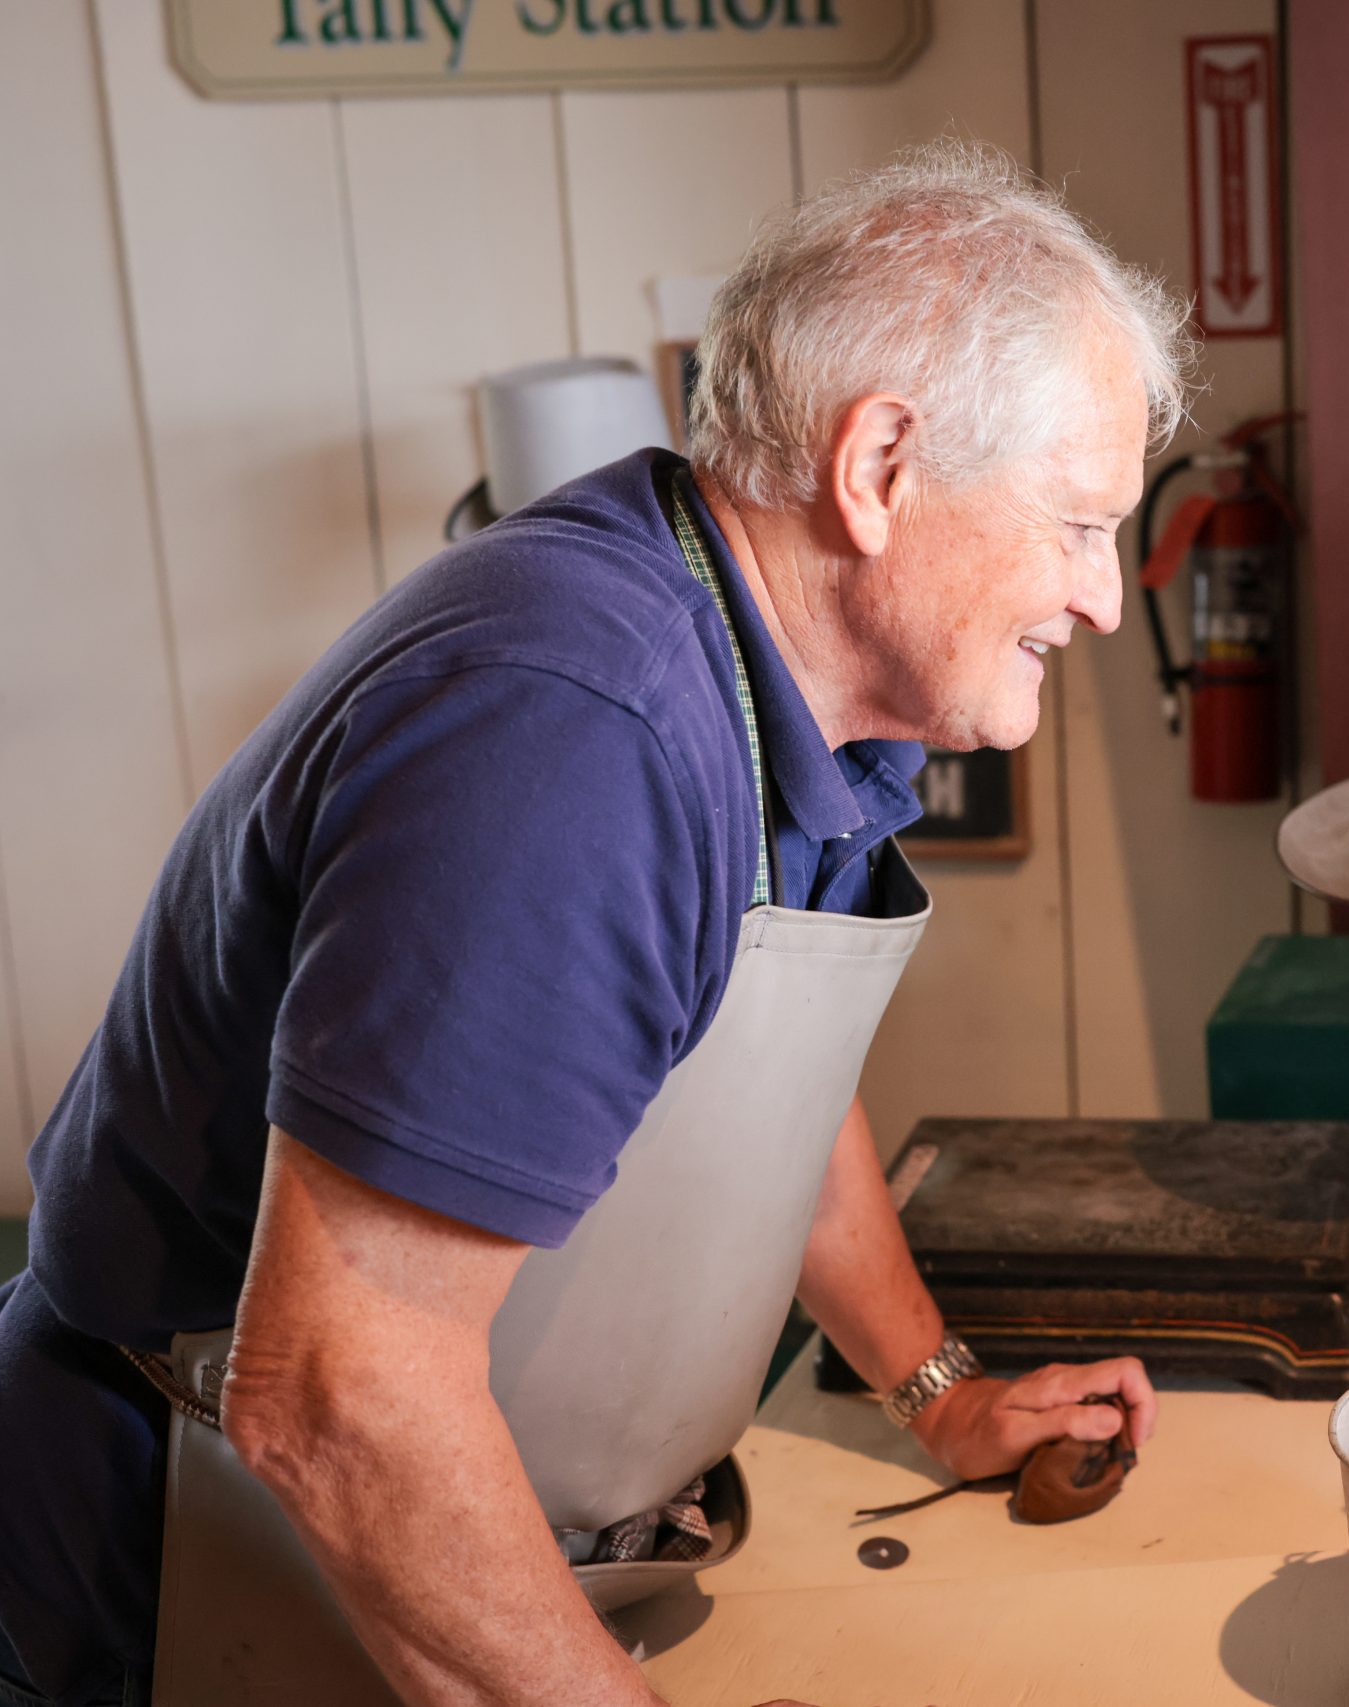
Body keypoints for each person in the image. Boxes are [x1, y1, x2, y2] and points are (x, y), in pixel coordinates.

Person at [0, 143, 1192, 1707]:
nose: (1107, 599)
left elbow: (768, 1071)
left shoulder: (790, 694)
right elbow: (342, 1393)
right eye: (1081, 524)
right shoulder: (580, 729)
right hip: (180, 1568)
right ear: (882, 465)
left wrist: (943, 1391)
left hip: (462, 1535)